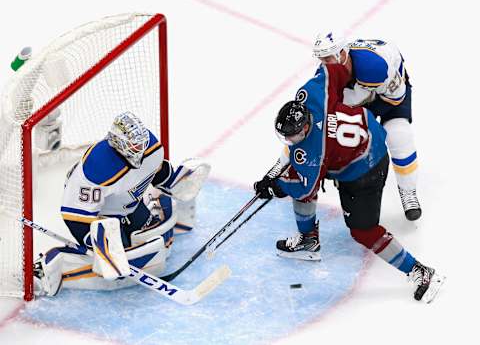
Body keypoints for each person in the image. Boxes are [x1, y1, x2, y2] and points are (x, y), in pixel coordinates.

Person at [253, 63, 444, 302]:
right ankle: (309, 240)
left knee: (364, 231)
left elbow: (305, 189)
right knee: (297, 174)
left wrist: (275, 187)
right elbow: (332, 70)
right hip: (366, 134)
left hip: (367, 171)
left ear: (305, 128)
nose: (288, 140)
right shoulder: (312, 95)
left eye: (292, 136)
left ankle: (420, 271)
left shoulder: (313, 153)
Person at [33, 111, 208, 296]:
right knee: (117, 267)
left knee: (157, 244)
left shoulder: (151, 146)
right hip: (101, 217)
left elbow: (155, 172)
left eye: (141, 142)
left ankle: (153, 207)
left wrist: (174, 183)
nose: (139, 147)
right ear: (118, 142)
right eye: (133, 144)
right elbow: (75, 216)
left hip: (129, 204)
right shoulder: (97, 168)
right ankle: (53, 265)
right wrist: (96, 243)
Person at [312, 32, 421, 221]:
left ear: (343, 54)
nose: (325, 64)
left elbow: (396, 98)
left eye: (328, 58)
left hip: (388, 96)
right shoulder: (325, 76)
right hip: (361, 96)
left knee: (399, 136)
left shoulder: (375, 67)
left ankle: (408, 191)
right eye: (322, 59)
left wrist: (365, 117)